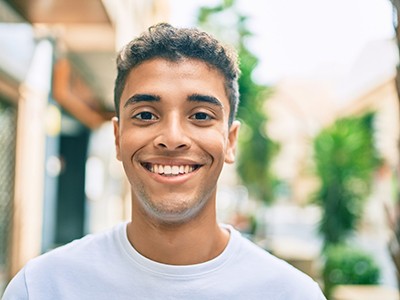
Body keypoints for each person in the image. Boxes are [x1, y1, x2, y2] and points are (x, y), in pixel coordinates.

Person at [3, 23, 326, 299]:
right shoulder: (44, 287)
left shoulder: (291, 293)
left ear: (230, 141)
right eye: (145, 115)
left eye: (200, 116)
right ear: (117, 138)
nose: (172, 138)